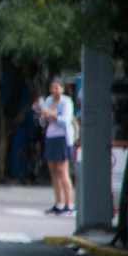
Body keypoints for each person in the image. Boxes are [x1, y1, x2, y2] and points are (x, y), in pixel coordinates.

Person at [37, 78, 76, 215]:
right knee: (52, 170)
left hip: (62, 138)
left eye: (56, 88)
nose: (53, 91)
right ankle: (58, 203)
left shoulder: (66, 102)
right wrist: (44, 116)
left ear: (62, 89)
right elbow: (42, 122)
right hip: (50, 137)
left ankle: (69, 204)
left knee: (62, 170)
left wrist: (52, 115)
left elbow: (65, 120)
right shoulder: (48, 100)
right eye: (52, 88)